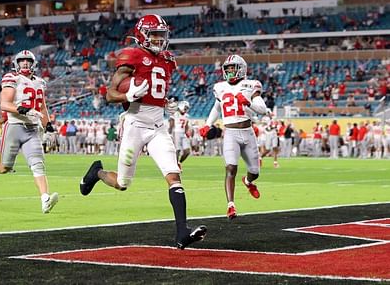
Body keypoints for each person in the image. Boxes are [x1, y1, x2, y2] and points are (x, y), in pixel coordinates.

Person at [79, 14, 206, 249]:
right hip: (135, 125)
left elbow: (156, 90)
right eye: (154, 34)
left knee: (173, 175)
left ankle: (181, 233)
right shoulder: (133, 55)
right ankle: (96, 173)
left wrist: (166, 102)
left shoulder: (167, 59)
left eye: (161, 34)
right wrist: (127, 96)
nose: (159, 39)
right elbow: (109, 94)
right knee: (123, 183)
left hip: (158, 126)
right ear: (142, 35)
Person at [0, 50, 58, 214]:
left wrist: (49, 126)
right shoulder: (12, 78)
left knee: (38, 164)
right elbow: (5, 104)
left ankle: (45, 199)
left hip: (33, 129)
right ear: (16, 64)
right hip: (14, 126)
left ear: (33, 63)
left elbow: (41, 107)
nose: (25, 64)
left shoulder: (40, 82)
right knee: (4, 167)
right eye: (22, 61)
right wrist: (24, 110)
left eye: (28, 61)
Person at [199, 54, 268, 220]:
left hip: (247, 132)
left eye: (233, 68)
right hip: (230, 132)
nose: (230, 72)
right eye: (227, 69)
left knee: (255, 171)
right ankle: (231, 205)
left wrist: (248, 102)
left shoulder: (251, 84)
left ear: (241, 69)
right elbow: (217, 107)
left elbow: (263, 109)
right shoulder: (220, 87)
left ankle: (249, 182)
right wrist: (208, 123)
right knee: (231, 167)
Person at [169, 100, 192, 167]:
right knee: (177, 150)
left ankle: (179, 162)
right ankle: (175, 165)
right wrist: (170, 134)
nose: (186, 110)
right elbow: (171, 125)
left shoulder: (187, 116)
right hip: (176, 132)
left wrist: (187, 133)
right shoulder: (175, 114)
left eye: (187, 108)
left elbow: (186, 126)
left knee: (187, 151)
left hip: (183, 134)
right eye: (185, 108)